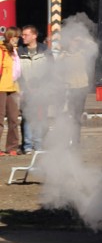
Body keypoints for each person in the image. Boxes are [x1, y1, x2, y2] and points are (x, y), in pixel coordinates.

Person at [18, 24, 53, 153]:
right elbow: (17, 72)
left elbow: (51, 70)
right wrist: (23, 87)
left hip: (42, 89)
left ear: (34, 36)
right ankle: (27, 145)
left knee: (40, 116)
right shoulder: (19, 51)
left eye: (26, 35)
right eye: (22, 34)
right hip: (26, 90)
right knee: (27, 116)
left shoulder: (45, 50)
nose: (23, 37)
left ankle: (38, 144)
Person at [0, 29, 21, 155]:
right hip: (1, 88)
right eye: (15, 36)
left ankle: (12, 147)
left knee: (13, 119)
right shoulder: (2, 50)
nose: (17, 39)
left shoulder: (15, 51)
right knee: (0, 119)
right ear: (9, 37)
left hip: (13, 88)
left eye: (18, 37)